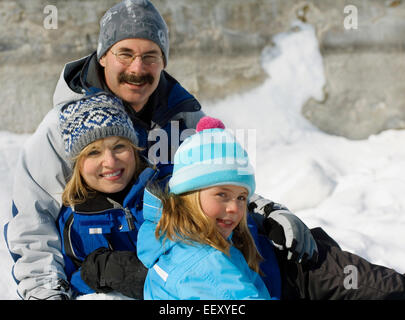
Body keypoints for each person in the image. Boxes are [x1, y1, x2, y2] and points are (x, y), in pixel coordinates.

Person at [4, 0, 316, 300]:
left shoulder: (182, 117)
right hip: (100, 281)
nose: (137, 69)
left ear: (164, 61)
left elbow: (220, 184)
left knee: (322, 265)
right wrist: (46, 293)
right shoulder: (62, 128)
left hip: (188, 274)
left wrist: (269, 212)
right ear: (102, 56)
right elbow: (32, 223)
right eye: (125, 54)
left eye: (150, 56)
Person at [84, 116, 405, 300]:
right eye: (222, 194)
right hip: (291, 274)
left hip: (284, 256)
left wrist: (272, 212)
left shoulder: (165, 226)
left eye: (241, 198)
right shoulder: (206, 265)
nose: (234, 208)